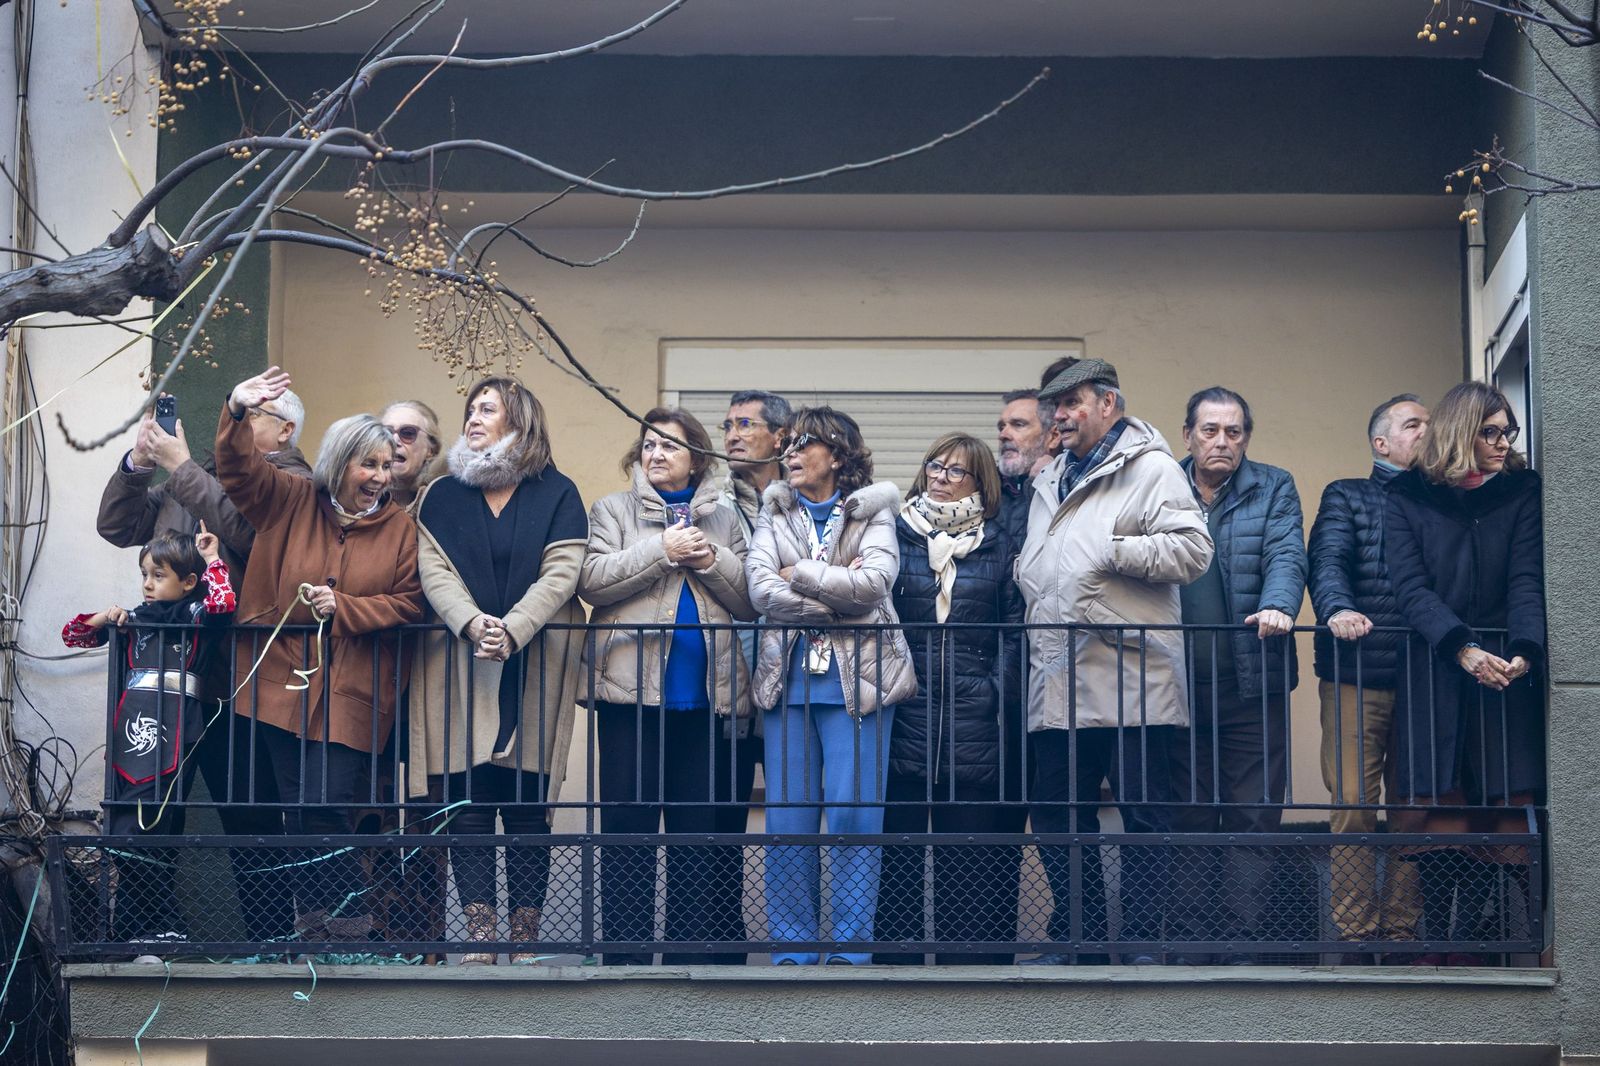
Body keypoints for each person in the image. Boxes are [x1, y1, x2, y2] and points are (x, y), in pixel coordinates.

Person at [216, 366, 424, 943]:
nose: (380, 477)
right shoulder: (289, 498)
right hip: (281, 681)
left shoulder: (401, 529)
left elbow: (409, 603)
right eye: (368, 464)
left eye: (387, 466)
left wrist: (346, 607)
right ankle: (313, 928)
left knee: (328, 804)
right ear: (339, 462)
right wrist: (236, 409)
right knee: (298, 810)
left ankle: (351, 928)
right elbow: (236, 469)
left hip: (354, 687)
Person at [1016, 359, 1213, 966]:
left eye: (1072, 402)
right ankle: (1079, 936)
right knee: (1056, 813)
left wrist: (1110, 549)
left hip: (1134, 671)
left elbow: (1194, 550)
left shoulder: (1151, 467)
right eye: (1055, 405)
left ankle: (1143, 941)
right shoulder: (1050, 476)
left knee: (1143, 814)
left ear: (1109, 403)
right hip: (1059, 670)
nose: (1060, 415)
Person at [96, 389, 309, 944]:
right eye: (230, 415)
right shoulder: (195, 475)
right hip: (169, 684)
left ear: (285, 430)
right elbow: (116, 526)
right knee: (153, 807)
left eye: (248, 417)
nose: (232, 427)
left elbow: (249, 532)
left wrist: (182, 466)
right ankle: (146, 932)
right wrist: (138, 463)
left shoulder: (292, 477)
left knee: (251, 815)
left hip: (238, 680)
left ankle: (270, 942)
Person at [407, 377, 587, 965]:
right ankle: (482, 937)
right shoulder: (441, 494)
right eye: (471, 409)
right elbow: (433, 570)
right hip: (461, 661)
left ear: (520, 420)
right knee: (470, 802)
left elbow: (563, 572)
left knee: (529, 805)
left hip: (536, 659)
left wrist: (514, 628)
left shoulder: (557, 492)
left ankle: (525, 939)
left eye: (487, 408)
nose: (473, 418)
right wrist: (472, 624)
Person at [579, 408, 757, 965]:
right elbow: (591, 580)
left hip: (707, 700)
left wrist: (710, 558)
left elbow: (750, 600)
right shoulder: (612, 509)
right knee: (627, 827)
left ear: (696, 460)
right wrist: (662, 551)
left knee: (694, 834)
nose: (655, 454)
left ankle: (687, 960)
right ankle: (624, 958)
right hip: (628, 698)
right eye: (649, 445)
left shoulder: (725, 519)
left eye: (669, 446)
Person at [746, 406, 916, 965]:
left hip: (861, 684)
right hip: (786, 686)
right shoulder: (775, 510)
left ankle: (849, 949)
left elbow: (874, 583)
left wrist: (801, 575)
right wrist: (833, 600)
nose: (790, 454)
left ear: (838, 456)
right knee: (788, 820)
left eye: (804, 444)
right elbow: (760, 589)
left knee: (853, 816)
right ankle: (792, 950)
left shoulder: (874, 511)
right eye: (788, 445)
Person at [1384, 381, 1544, 966]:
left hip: (1504, 673)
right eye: (1491, 432)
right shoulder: (1407, 495)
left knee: (1500, 805)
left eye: (1508, 432)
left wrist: (1524, 649)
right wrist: (1462, 648)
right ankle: (1439, 942)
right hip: (1437, 666)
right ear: (1461, 433)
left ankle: (1480, 941)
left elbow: (1527, 578)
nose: (1504, 443)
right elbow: (1410, 588)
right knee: (1441, 811)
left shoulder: (1522, 491)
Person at [875, 433, 1026, 966]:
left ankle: (971, 984)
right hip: (904, 716)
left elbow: (1016, 630)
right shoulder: (894, 536)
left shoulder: (999, 544)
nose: (940, 477)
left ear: (979, 482)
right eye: (934, 466)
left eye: (955, 471)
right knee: (897, 864)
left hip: (975, 724)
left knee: (970, 865)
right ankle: (893, 981)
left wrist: (993, 691)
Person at [1169, 385, 1307, 963]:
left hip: (1254, 681)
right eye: (1210, 430)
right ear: (1188, 435)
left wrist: (1279, 604)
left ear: (1246, 438)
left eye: (1234, 431)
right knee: (1189, 813)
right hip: (1177, 687)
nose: (1222, 442)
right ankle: (1191, 939)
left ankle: (1242, 940)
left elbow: (1287, 555)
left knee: (1254, 814)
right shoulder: (1161, 485)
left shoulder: (1272, 485)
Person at [63, 527, 235, 959]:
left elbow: (223, 603)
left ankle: (151, 927)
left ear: (188, 582)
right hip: (131, 737)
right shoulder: (134, 619)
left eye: (159, 575)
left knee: (158, 827)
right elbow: (73, 635)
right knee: (129, 829)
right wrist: (106, 617)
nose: (148, 584)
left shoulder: (196, 615)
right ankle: (150, 926)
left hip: (177, 733)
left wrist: (211, 558)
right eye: (144, 574)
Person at [1308, 394, 1430, 960]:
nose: (1426, 430)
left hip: (1426, 677)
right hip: (1356, 673)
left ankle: (1401, 932)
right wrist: (1336, 608)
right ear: (1381, 443)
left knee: (1414, 805)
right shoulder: (1348, 494)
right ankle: (1356, 934)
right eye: (1413, 423)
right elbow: (1327, 561)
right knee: (1354, 802)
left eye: (1430, 423)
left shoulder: (1443, 499)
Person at [996, 388, 1055, 551]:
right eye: (1001, 427)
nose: (1003, 435)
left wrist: (1044, 484)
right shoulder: (982, 489)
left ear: (1053, 437)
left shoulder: (1071, 489)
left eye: (1018, 425)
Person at [381, 400, 444, 509]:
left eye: (408, 433)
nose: (394, 441)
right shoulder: (356, 502)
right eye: (386, 433)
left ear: (431, 449)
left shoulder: (445, 501)